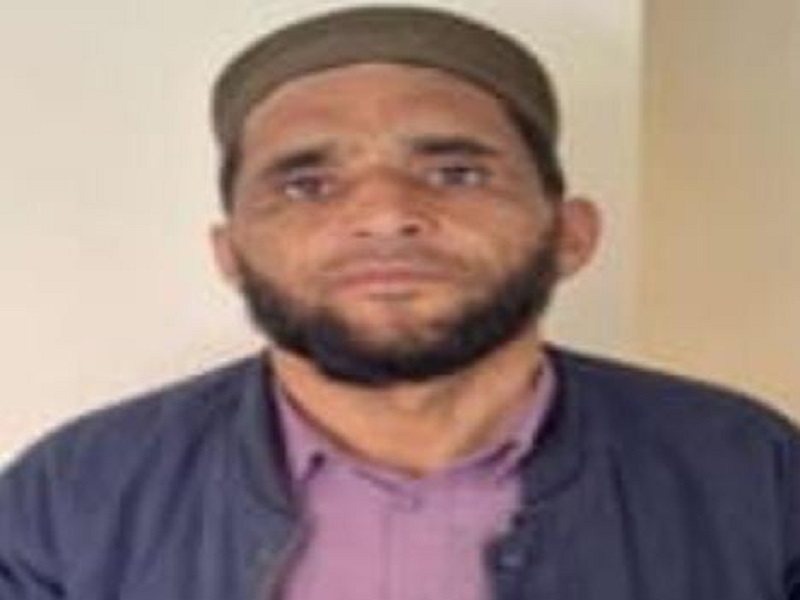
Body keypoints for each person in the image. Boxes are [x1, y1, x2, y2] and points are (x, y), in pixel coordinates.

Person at [1, 5, 799, 600]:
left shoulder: (753, 473)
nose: (384, 213)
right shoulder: (71, 497)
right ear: (230, 255)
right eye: (307, 184)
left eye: (456, 173)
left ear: (570, 233)